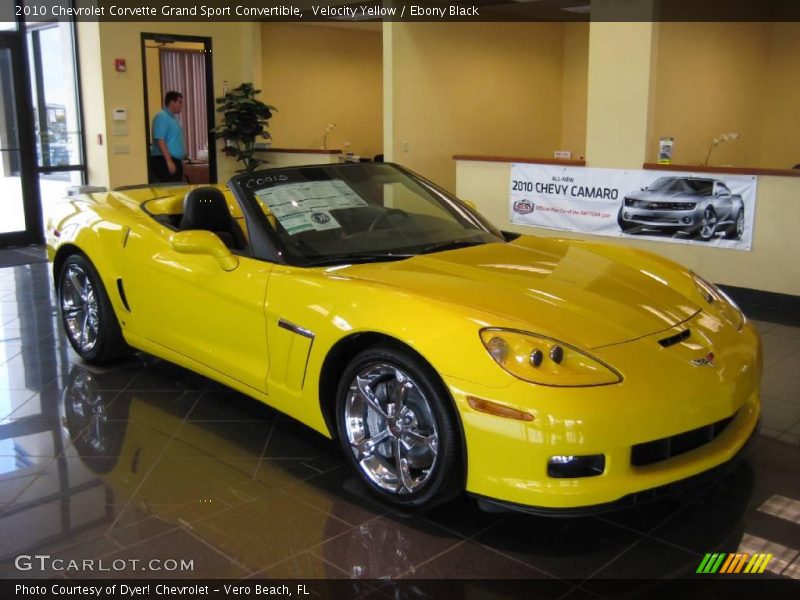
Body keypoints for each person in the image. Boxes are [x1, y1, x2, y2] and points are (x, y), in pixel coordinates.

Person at [149, 91, 185, 183]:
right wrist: (169, 161)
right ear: (172, 103)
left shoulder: (173, 118)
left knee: (176, 190)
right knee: (170, 190)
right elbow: (160, 139)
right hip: (164, 161)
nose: (182, 105)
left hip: (174, 160)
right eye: (180, 102)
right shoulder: (162, 116)